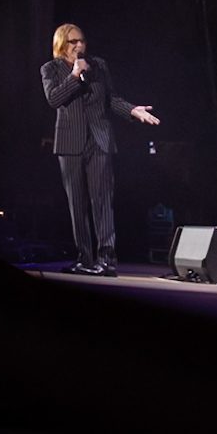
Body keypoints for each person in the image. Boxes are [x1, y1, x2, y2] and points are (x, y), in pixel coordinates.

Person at [39, 23, 157, 276]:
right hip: (70, 143)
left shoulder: (99, 66)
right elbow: (54, 99)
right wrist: (73, 76)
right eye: (73, 42)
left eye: (81, 40)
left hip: (100, 140)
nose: (79, 45)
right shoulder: (51, 69)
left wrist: (132, 110)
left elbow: (111, 98)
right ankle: (85, 258)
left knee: (102, 202)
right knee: (77, 204)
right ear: (61, 44)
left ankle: (107, 260)